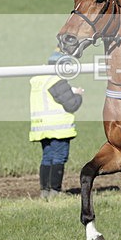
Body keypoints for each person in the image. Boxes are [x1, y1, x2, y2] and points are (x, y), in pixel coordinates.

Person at [29, 60, 84, 200]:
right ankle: (55, 191)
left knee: (47, 157)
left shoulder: (38, 80)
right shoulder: (56, 80)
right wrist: (78, 95)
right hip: (58, 128)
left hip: (42, 127)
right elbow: (71, 105)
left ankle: (44, 192)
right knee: (59, 157)